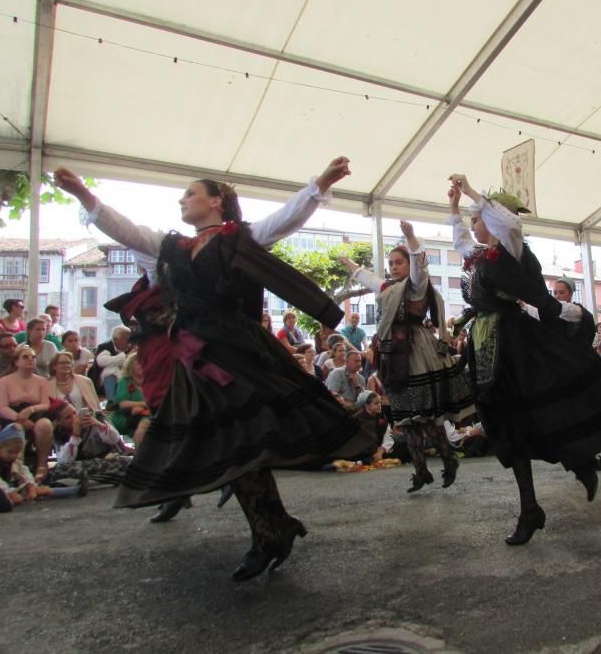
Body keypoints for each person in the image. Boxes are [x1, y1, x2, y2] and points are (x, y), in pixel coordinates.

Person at [53, 164, 374, 581]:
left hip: (240, 356)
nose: (182, 200)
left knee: (239, 443)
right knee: (230, 446)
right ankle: (273, 527)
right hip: (197, 362)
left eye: (190, 193)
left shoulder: (237, 238)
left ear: (215, 201)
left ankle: (270, 531)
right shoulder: (168, 250)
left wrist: (320, 185)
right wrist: (83, 194)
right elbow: (125, 230)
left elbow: (284, 219)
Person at [447, 174, 601, 545]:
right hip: (486, 345)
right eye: (472, 216)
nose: (472, 222)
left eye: (477, 216)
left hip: (514, 345)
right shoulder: (480, 256)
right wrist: (453, 209)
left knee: (539, 413)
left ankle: (579, 463)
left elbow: (509, 224)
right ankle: (531, 507)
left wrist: (472, 193)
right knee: (507, 427)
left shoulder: (511, 246)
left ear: (496, 216)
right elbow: (461, 240)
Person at [342, 219, 474, 494]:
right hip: (394, 356)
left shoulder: (416, 285)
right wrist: (352, 267)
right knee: (406, 419)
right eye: (391, 264)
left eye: (398, 263)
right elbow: (370, 279)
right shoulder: (390, 289)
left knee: (424, 417)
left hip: (417, 354)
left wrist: (412, 237)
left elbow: (420, 266)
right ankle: (421, 471)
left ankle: (449, 461)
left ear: (408, 265)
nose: (393, 267)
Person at [0, 345, 55, 482]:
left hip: (35, 412)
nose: (30, 360)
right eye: (25, 357)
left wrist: (30, 410)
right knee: (18, 428)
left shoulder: (42, 380)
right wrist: (19, 418)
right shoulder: (5, 381)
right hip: (11, 414)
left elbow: (46, 403)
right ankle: (17, 469)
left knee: (44, 425)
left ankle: (42, 464)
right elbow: (1, 406)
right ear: (16, 362)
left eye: (33, 357)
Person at [0, 424, 84, 511]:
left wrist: (31, 486)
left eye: (17, 453)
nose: (13, 455)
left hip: (9, 488)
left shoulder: (14, 461)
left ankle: (76, 489)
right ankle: (2, 502)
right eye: (10, 452)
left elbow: (25, 473)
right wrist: (8, 492)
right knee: (11, 497)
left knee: (40, 490)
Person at [48, 400, 131, 486]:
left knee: (125, 462)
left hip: (107, 461)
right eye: (68, 417)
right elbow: (65, 461)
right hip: (84, 465)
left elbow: (115, 440)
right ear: (58, 422)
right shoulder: (58, 433)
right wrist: (75, 435)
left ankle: (91, 480)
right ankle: (104, 479)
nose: (74, 418)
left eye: (74, 413)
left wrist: (98, 424)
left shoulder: (96, 416)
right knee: (59, 470)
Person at [109, 353, 152, 447]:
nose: (142, 365)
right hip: (125, 416)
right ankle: (139, 455)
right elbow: (122, 404)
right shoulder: (125, 382)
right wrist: (142, 404)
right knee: (147, 424)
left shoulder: (151, 381)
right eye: (138, 363)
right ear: (131, 366)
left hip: (147, 414)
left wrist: (140, 409)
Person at [47, 351, 102, 416]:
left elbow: (96, 406)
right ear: (54, 366)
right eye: (62, 363)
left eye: (68, 363)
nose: (66, 365)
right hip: (60, 423)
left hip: (85, 421)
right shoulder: (47, 386)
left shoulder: (86, 381)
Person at [93, 326, 131, 402]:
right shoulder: (105, 347)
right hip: (102, 383)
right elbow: (101, 361)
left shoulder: (130, 348)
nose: (129, 342)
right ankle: (110, 400)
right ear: (115, 339)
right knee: (111, 369)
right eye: (126, 339)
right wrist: (124, 357)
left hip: (125, 379)